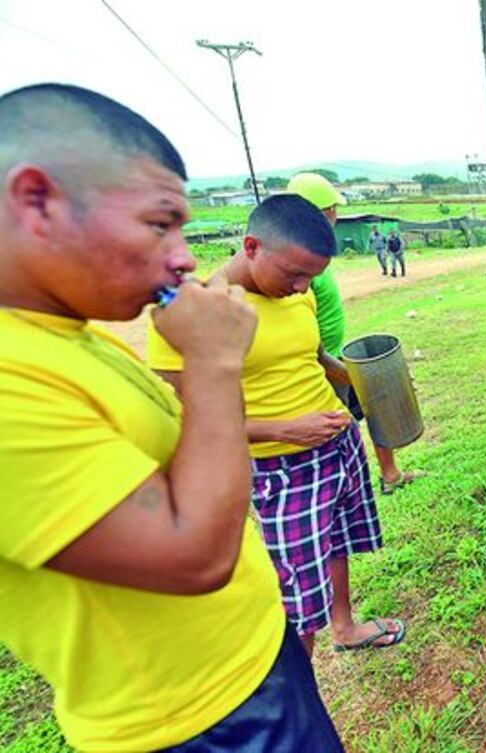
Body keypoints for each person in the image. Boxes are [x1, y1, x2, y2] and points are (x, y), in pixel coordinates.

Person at [0, 84, 342, 751]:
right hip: (198, 723)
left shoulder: (68, 338)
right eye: (161, 223)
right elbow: (192, 553)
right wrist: (215, 361)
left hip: (251, 668)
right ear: (37, 200)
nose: (186, 256)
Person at [147, 195, 406, 656]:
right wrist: (282, 430)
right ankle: (301, 684)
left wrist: (364, 380)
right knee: (296, 579)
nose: (303, 287)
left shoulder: (297, 296)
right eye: (294, 274)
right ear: (251, 246)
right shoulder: (194, 311)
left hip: (338, 444)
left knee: (337, 541)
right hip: (280, 466)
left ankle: (344, 627)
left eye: (312, 277)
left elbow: (312, 358)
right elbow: (182, 417)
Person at [288, 172, 421, 495]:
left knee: (374, 409)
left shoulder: (314, 252)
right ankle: (343, 491)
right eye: (332, 209)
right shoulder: (297, 264)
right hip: (321, 367)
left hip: (336, 352)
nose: (334, 216)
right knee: (340, 428)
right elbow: (305, 344)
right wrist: (359, 375)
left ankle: (390, 474)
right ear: (325, 213)